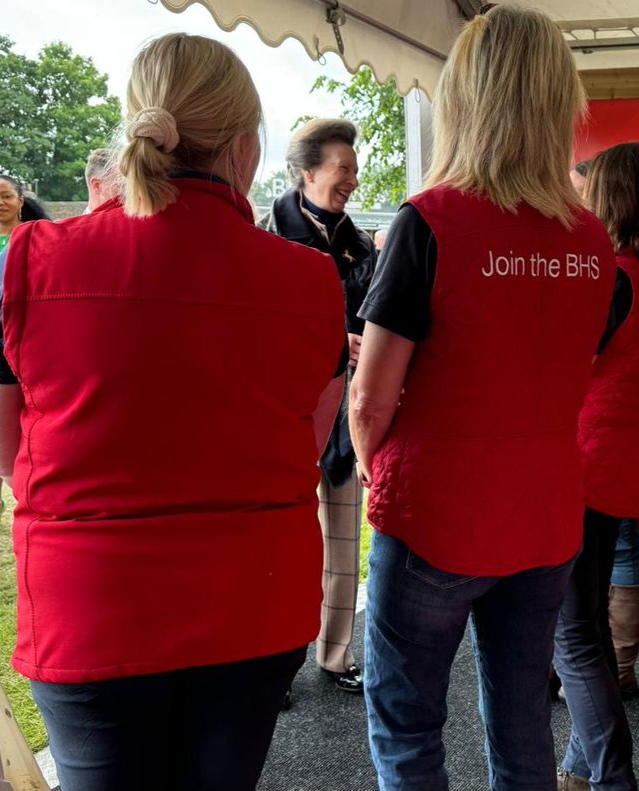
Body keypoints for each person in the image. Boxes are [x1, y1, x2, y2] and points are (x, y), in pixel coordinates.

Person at [0, 33, 347, 791]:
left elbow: (3, 450)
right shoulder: (311, 281)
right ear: (245, 150)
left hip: (90, 610)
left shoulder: (30, 260)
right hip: (255, 600)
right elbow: (307, 437)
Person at [349, 5, 615, 788]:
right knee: (522, 717)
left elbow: (370, 401)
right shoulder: (592, 239)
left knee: (407, 728)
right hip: (544, 514)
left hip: (436, 511)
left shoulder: (430, 222)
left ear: (467, 96)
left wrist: (375, 468)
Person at [554, 142, 639, 791]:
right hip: (617, 467)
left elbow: (562, 373)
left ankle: (612, 777)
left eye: (591, 188)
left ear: (615, 198)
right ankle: (582, 770)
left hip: (580, 468)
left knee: (575, 638)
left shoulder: (611, 277)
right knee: (590, 634)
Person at [258, 118, 373, 694]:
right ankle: (276, 666)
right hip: (288, 415)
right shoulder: (265, 235)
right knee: (284, 551)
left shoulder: (359, 243)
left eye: (354, 167)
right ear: (307, 171)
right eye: (343, 167)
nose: (353, 177)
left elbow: (373, 319)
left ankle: (334, 655)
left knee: (345, 549)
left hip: (348, 416)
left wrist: (363, 342)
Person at [0, 174, 47, 525]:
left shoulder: (35, 239)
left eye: (5, 196)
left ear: (21, 200)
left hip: (20, 337)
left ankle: (8, 490)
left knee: (11, 417)